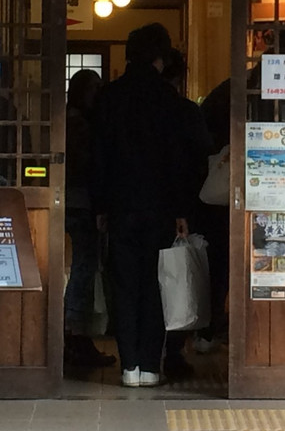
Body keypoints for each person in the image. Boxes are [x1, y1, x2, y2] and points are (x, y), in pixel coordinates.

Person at [91, 23, 190, 388]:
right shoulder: (168, 100)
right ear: (159, 57)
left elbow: (98, 156)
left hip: (119, 206)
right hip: (160, 207)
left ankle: (128, 365)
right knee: (155, 283)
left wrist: (100, 206)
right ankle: (150, 365)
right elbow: (177, 159)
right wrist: (181, 210)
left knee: (124, 284)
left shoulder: (109, 97)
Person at [161, 49, 213, 379]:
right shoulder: (185, 111)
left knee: (151, 279)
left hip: (141, 205)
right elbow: (203, 150)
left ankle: (143, 358)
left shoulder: (136, 109)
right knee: (179, 277)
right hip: (186, 204)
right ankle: (175, 351)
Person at [62, 69, 116, 368]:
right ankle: (74, 334)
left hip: (70, 202)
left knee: (82, 268)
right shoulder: (82, 125)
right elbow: (88, 168)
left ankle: (74, 335)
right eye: (95, 87)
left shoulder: (67, 120)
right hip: (81, 204)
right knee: (84, 267)